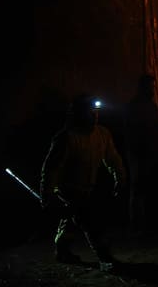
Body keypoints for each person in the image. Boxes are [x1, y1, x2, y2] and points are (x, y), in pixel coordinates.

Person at [39, 92, 127, 272]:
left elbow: (113, 159)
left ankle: (62, 251)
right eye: (89, 111)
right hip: (67, 189)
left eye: (95, 111)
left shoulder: (102, 134)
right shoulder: (66, 138)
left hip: (88, 187)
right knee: (90, 221)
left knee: (71, 221)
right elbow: (51, 169)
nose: (94, 115)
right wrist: (47, 195)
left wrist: (120, 178)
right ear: (79, 113)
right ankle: (105, 257)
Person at [123, 73, 158, 238]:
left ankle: (145, 225)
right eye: (151, 86)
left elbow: (155, 129)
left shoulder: (150, 106)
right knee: (138, 189)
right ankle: (136, 226)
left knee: (145, 189)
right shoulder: (135, 106)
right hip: (138, 153)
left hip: (148, 152)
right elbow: (131, 130)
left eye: (153, 86)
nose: (153, 89)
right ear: (143, 87)